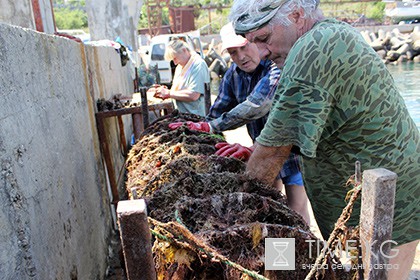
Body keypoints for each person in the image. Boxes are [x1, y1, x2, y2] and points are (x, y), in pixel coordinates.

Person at [229, 0, 420, 278]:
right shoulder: (329, 33)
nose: (260, 52)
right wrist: (254, 150)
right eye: (251, 41)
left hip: (388, 207)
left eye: (264, 38)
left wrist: (233, 218)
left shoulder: (313, 48)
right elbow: (296, 131)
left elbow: (273, 150)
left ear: (295, 15)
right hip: (377, 195)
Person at [169, 22, 310, 224]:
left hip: (290, 151)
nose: (241, 57)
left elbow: (257, 105)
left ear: (255, 42)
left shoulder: (275, 67)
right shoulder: (233, 75)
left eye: (245, 47)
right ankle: (280, 255)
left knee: (296, 209)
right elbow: (218, 111)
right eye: (233, 52)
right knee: (271, 205)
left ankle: (304, 252)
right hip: (260, 152)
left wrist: (210, 127)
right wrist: (197, 134)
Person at [149, 39, 210, 116]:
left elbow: (194, 95)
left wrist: (168, 93)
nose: (175, 62)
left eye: (175, 58)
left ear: (184, 50)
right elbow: (178, 90)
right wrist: (164, 90)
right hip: (183, 114)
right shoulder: (180, 67)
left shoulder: (198, 65)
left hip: (196, 117)